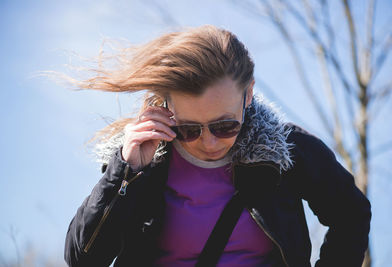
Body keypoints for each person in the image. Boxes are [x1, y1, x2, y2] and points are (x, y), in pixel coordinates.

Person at [63, 25, 371, 267]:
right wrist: (126, 172)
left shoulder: (287, 150)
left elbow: (351, 215)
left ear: (248, 94)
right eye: (188, 129)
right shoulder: (145, 163)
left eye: (225, 126)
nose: (209, 142)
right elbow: (82, 259)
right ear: (167, 105)